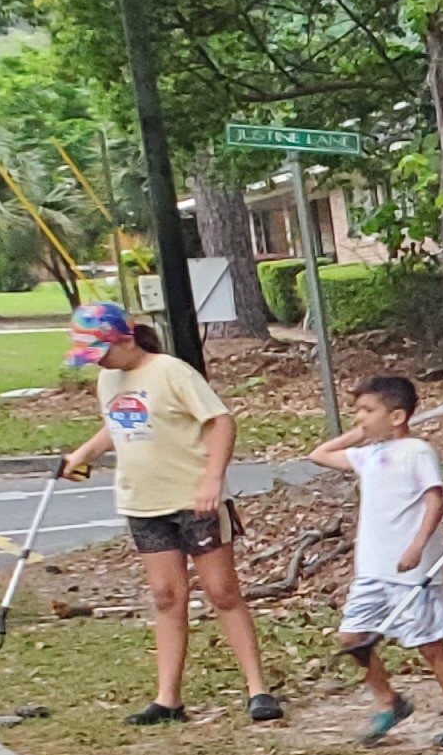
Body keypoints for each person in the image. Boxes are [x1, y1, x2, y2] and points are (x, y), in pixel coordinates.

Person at [55, 304, 281, 726]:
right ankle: (168, 699)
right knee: (166, 597)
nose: (97, 361)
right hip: (143, 502)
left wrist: (213, 478)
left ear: (126, 338)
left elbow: (220, 421)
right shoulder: (108, 380)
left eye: (101, 351)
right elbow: (118, 423)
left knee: (222, 592)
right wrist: (84, 454)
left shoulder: (172, 372)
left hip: (196, 500)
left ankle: (258, 690)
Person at [308, 376, 443, 747]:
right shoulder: (369, 455)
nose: (360, 417)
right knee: (353, 637)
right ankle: (390, 700)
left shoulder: (417, 452)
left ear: (397, 415)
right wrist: (359, 433)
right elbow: (319, 455)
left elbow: (435, 500)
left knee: (429, 646)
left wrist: (417, 546)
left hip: (411, 571)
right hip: (372, 570)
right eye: (357, 411)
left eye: (368, 411)